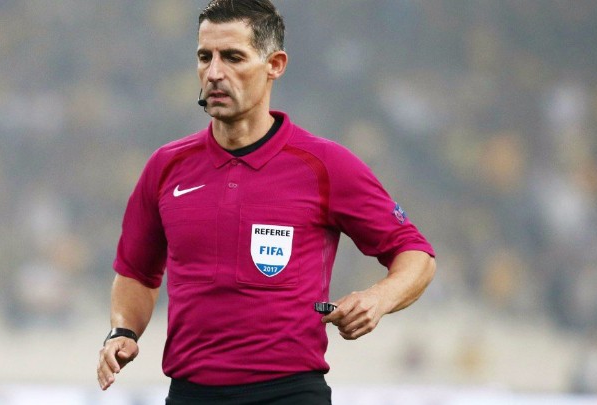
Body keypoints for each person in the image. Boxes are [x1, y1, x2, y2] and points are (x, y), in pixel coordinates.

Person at [97, 0, 436, 403]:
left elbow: (416, 254)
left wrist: (376, 299)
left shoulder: (325, 165)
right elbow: (136, 272)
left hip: (289, 393)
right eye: (205, 57)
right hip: (190, 394)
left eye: (233, 57)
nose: (214, 72)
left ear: (274, 64)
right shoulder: (166, 166)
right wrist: (123, 331)